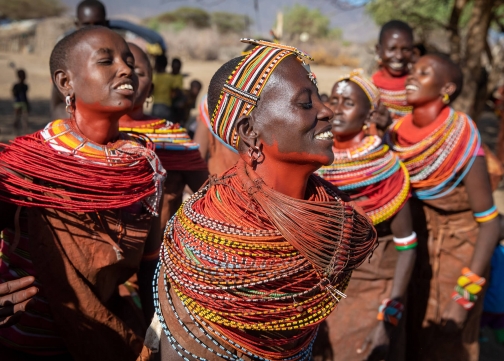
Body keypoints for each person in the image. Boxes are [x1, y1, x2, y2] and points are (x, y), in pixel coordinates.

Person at [141, 39, 378, 361]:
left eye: (319, 99)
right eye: (306, 103)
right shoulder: (211, 246)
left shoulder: (331, 218)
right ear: (251, 133)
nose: (327, 111)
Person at [0, 26, 166, 361]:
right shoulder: (25, 164)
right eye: (106, 61)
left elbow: (150, 264)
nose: (125, 70)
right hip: (28, 342)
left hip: (109, 337)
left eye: (129, 62)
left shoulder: (144, 166)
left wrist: (157, 335)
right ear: (66, 83)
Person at [386, 54, 500, 361]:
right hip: (414, 253)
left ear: (446, 87)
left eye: (423, 73)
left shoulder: (461, 135)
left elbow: (491, 223)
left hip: (458, 255)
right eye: (413, 71)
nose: (411, 76)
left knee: (447, 345)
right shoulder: (394, 134)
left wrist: (463, 299)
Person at [314, 70, 415, 361]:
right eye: (334, 99)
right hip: (321, 290)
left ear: (369, 115)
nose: (337, 108)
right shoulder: (313, 160)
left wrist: (388, 318)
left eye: (348, 102)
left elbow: (407, 247)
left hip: (372, 290)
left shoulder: (386, 170)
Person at [119, 43, 208, 233]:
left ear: (150, 89)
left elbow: (207, 197)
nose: (126, 75)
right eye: (110, 65)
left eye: (138, 72)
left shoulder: (174, 138)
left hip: (160, 249)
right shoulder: (69, 138)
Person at [50, 0, 167, 120]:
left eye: (98, 23)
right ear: (77, 24)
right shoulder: (71, 58)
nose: (126, 70)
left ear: (106, 23)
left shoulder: (118, 52)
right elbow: (57, 103)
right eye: (87, 24)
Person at [372, 20, 415, 128]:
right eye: (392, 49)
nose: (399, 56)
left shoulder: (421, 86)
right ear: (378, 50)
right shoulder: (368, 87)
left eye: (405, 49)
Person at [12, 69, 29, 133]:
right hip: (18, 103)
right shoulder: (16, 86)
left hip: (24, 103)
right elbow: (14, 94)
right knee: (16, 118)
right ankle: (15, 131)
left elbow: (25, 95)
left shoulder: (25, 86)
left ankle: (25, 131)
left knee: (25, 119)